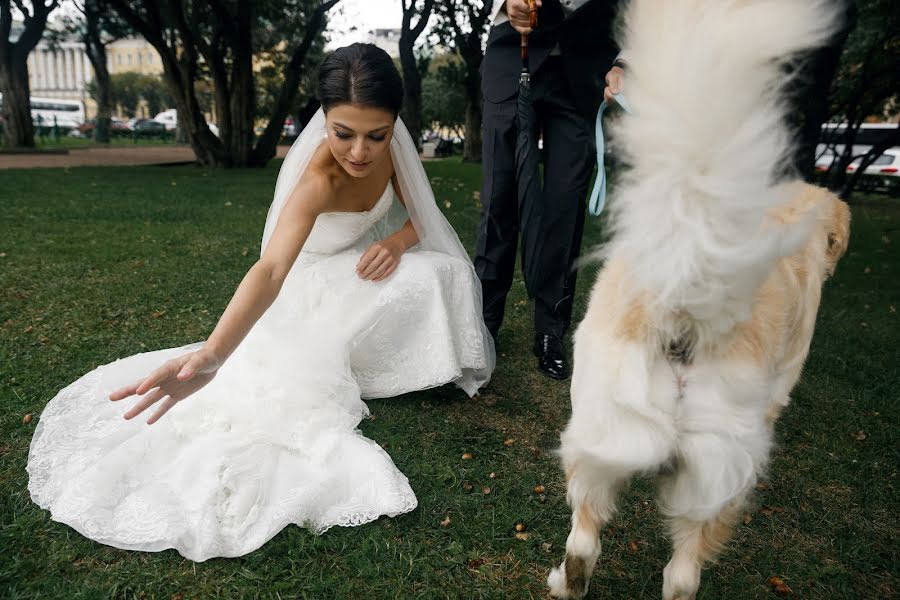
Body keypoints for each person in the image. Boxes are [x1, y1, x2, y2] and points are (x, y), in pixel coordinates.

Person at [26, 43, 495, 562]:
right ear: (323, 122)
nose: (361, 151)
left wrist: (396, 242)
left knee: (441, 270)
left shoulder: (394, 152)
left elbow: (422, 218)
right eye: (344, 134)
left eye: (375, 136)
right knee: (298, 374)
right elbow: (271, 270)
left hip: (355, 266)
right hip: (308, 283)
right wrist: (213, 354)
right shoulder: (317, 179)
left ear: (393, 127)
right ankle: (353, 361)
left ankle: (395, 364)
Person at [476, 0, 623, 379]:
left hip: (587, 67)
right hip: (514, 52)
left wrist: (625, 63)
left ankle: (550, 332)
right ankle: (482, 324)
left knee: (565, 207)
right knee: (498, 199)